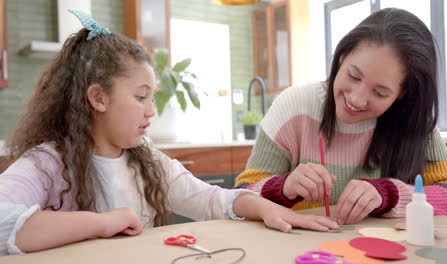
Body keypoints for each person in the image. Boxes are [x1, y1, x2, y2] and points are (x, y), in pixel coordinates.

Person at [0, 10, 339, 256]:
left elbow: (210, 199)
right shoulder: (47, 163)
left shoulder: (145, 160)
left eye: (152, 97)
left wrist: (266, 208)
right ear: (98, 98)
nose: (151, 110)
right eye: (140, 96)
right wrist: (101, 223)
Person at [235, 8, 447, 225]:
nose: (356, 99)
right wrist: (283, 187)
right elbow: (241, 195)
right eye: (354, 76)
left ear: (402, 93)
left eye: (380, 92)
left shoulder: (413, 120)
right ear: (342, 56)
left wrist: (389, 194)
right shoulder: (294, 106)